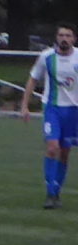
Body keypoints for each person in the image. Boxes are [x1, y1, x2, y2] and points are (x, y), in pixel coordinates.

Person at [19, 22, 77, 210]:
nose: (64, 39)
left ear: (74, 39)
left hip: (73, 111)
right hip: (52, 108)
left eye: (68, 35)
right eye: (61, 35)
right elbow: (33, 79)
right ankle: (50, 193)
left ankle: (56, 191)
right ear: (56, 38)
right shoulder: (46, 57)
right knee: (53, 148)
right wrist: (24, 106)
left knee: (65, 153)